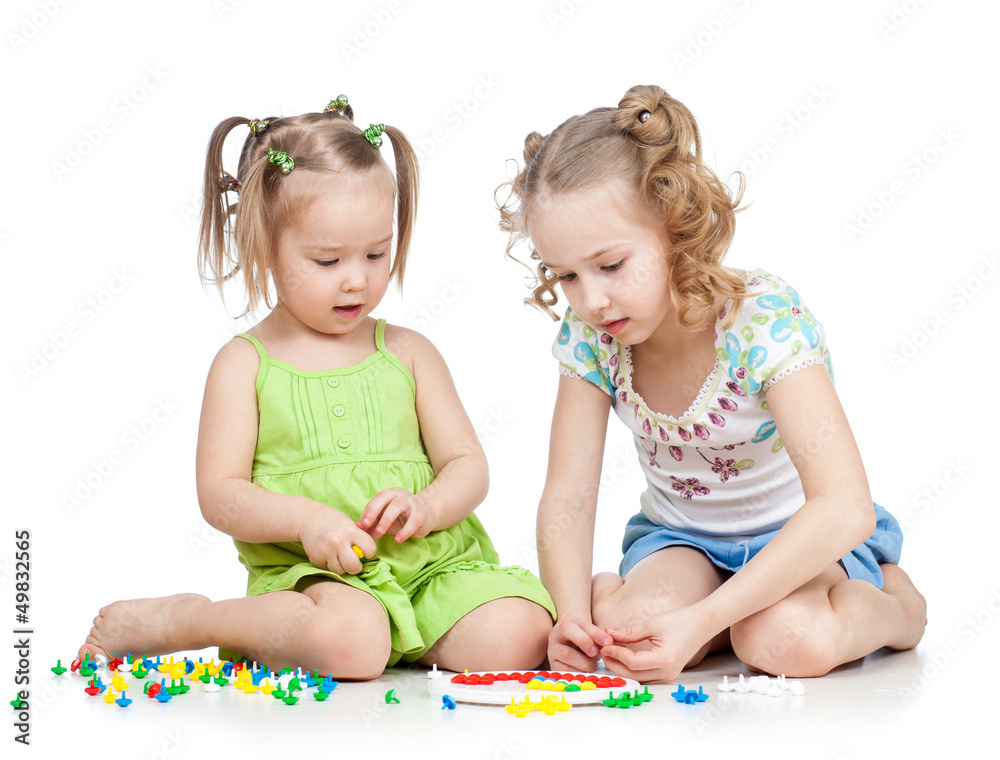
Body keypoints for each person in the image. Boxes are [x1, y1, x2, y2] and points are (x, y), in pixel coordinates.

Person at [79, 96, 554, 679]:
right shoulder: (243, 364)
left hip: (434, 571)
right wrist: (308, 522)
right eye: (328, 260)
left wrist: (428, 505)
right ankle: (195, 620)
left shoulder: (409, 353)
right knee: (351, 641)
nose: (357, 279)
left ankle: (409, 633)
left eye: (376, 253)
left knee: (522, 633)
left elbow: (467, 465)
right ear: (263, 248)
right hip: (319, 581)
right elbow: (221, 494)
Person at [497, 84, 926, 682]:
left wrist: (698, 622)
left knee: (782, 643)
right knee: (625, 631)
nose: (591, 300)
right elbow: (569, 492)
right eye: (566, 275)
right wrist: (570, 615)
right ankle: (704, 618)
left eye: (611, 265)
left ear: (675, 227)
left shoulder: (763, 322)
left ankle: (897, 608)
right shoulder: (592, 337)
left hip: (801, 541)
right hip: (682, 541)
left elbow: (843, 506)